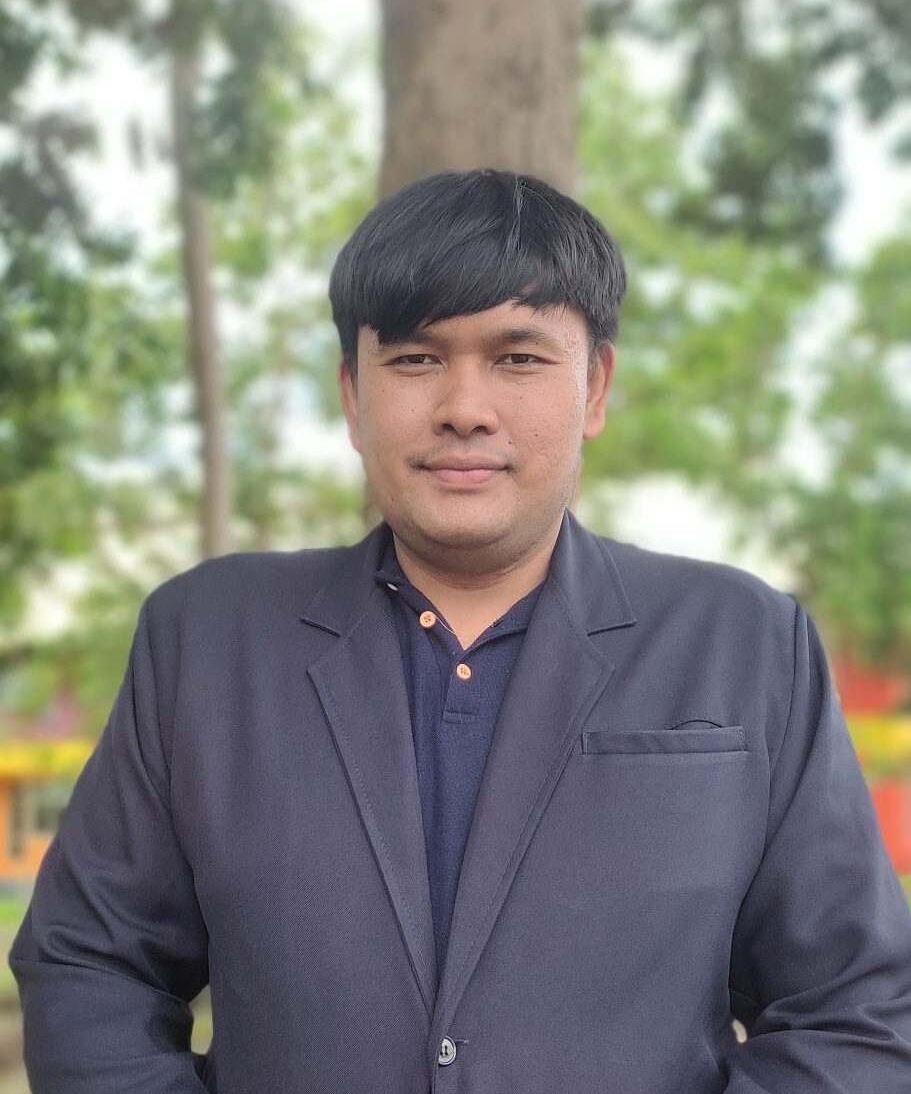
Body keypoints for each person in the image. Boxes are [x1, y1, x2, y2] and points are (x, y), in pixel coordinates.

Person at [9, 168, 911, 1094]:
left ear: (594, 387)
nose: (464, 408)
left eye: (517, 358)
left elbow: (857, 1008)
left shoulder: (742, 644)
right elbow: (91, 964)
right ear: (351, 393)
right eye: (415, 359)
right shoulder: (206, 643)